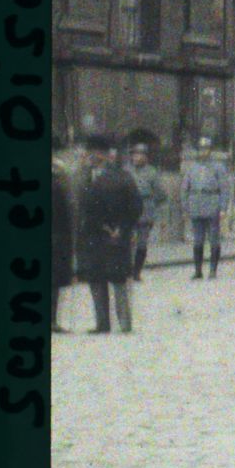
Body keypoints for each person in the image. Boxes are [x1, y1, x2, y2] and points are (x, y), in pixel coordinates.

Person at [77, 135, 143, 334]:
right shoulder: (91, 176)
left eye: (90, 153)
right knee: (101, 279)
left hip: (106, 236)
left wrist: (121, 228)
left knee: (116, 280)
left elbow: (135, 206)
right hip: (100, 236)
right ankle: (108, 323)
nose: (88, 157)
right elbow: (136, 207)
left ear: (99, 154)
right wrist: (123, 228)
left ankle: (120, 323)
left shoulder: (117, 177)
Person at [182, 137, 230, 279]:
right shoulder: (192, 168)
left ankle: (213, 270)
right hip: (196, 204)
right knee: (198, 240)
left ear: (210, 150)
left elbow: (224, 188)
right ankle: (198, 270)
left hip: (212, 204)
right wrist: (186, 207)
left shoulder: (218, 167)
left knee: (214, 239)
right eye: (201, 149)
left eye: (206, 148)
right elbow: (185, 188)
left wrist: (223, 208)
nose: (204, 152)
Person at [124, 141, 162, 281]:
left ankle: (136, 271)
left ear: (146, 157)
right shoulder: (126, 171)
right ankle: (127, 269)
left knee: (142, 243)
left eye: (141, 154)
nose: (138, 157)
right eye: (135, 154)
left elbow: (160, 194)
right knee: (127, 242)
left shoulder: (152, 172)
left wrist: (152, 207)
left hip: (145, 210)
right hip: (128, 209)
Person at [52, 144, 80, 333]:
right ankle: (52, 321)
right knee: (53, 283)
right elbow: (70, 214)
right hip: (57, 239)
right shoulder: (60, 183)